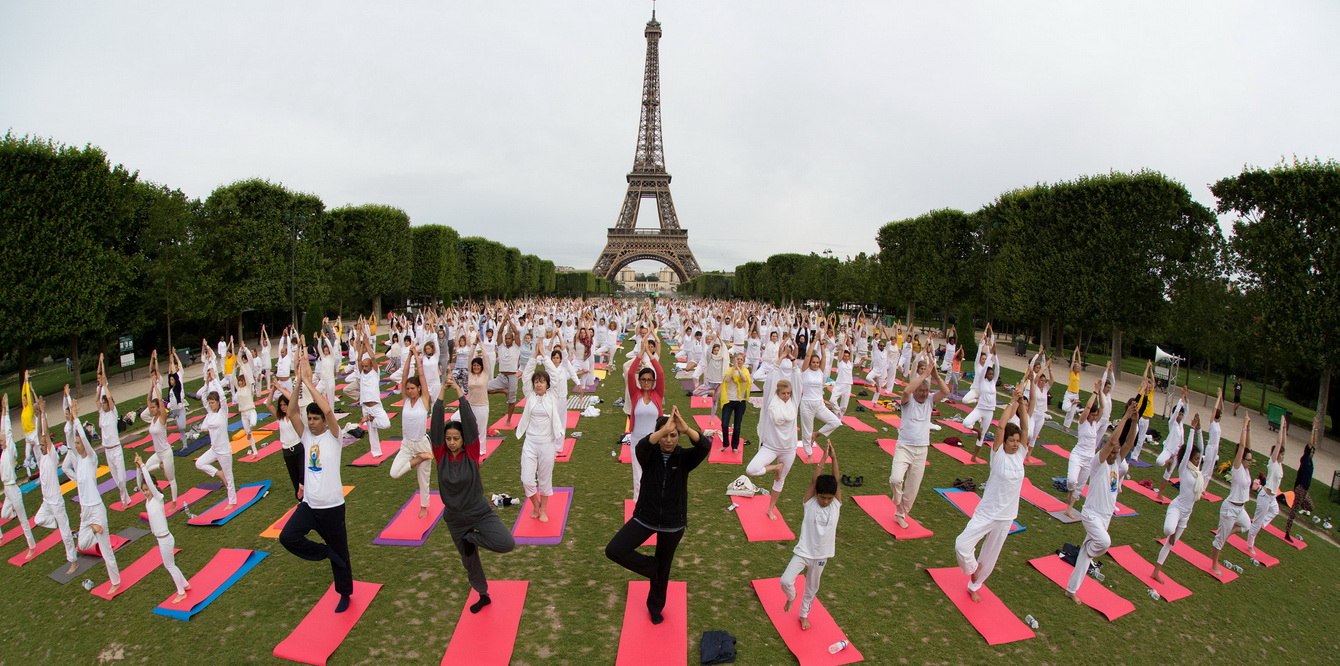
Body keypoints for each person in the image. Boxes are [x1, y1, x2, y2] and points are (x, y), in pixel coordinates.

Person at [605, 407, 710, 625]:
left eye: (673, 435)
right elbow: (643, 444)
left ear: (678, 436)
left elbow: (705, 446)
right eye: (664, 435)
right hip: (645, 517)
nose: (669, 440)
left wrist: (685, 427)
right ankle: (654, 569)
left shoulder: (684, 458)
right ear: (658, 435)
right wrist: (663, 430)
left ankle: (655, 606)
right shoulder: (647, 455)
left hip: (673, 523)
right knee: (615, 550)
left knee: (665, 566)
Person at [422, 375, 516, 613]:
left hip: (479, 512)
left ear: (465, 440)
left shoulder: (472, 453)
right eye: (448, 439)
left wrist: (459, 392)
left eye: (456, 438)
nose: (452, 442)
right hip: (454, 518)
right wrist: (442, 394)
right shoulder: (441, 456)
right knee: (469, 562)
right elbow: (434, 426)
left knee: (506, 543)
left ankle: (471, 539)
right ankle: (482, 594)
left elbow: (471, 422)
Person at [279, 339, 355, 613]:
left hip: (333, 507)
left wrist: (311, 385)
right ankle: (324, 552)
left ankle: (345, 593)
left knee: (342, 552)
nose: (311, 422)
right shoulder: (306, 435)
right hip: (309, 505)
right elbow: (291, 412)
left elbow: (328, 410)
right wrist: (298, 382)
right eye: (309, 419)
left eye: (315, 419)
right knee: (288, 537)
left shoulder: (335, 436)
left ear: (323, 421)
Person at [955, 379, 1031, 602]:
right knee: (962, 544)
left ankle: (975, 584)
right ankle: (972, 568)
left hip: (1006, 516)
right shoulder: (997, 455)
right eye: (1012, 440)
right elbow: (1000, 426)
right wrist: (1012, 402)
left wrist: (1023, 405)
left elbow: (1025, 427)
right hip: (987, 512)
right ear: (1004, 441)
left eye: (1017, 441)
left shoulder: (1020, 456)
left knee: (990, 557)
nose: (1016, 444)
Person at [1065, 394, 1142, 603]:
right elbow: (1114, 442)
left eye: (1116, 452)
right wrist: (1125, 417)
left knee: (1085, 556)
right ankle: (1089, 549)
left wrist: (1134, 421)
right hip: (1091, 515)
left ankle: (1071, 589)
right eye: (1112, 450)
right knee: (1104, 542)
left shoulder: (1116, 463)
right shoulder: (1098, 463)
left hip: (1105, 516)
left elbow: (1128, 442)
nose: (1114, 454)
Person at [781, 441, 841, 629]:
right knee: (785, 580)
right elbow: (813, 481)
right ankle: (792, 597)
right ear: (816, 494)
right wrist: (823, 459)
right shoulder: (810, 503)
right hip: (803, 551)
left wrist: (835, 458)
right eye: (823, 497)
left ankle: (804, 614)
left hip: (821, 555)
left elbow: (836, 481)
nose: (825, 501)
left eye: (829, 498)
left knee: (812, 588)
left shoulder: (836, 505)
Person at [67, 389, 121, 593]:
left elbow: (83, 440)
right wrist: (71, 420)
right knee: (82, 542)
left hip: (97, 509)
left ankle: (115, 581)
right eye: (77, 444)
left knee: (106, 550)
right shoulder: (78, 462)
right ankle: (94, 529)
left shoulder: (90, 459)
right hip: (85, 513)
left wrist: (77, 420)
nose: (78, 446)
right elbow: (72, 439)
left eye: (80, 443)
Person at [889, 359, 952, 529]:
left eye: (926, 391)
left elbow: (945, 391)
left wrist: (936, 376)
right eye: (921, 391)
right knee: (895, 479)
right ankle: (896, 497)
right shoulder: (908, 402)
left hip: (921, 450)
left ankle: (901, 514)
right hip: (904, 447)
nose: (924, 394)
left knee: (912, 488)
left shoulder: (931, 400)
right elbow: (906, 390)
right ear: (915, 390)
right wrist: (924, 374)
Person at [1150, 414, 1207, 583]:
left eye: (1198, 460)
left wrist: (1199, 430)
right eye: (1195, 459)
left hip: (1187, 513)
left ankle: (1156, 571)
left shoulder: (1197, 472)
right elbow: (1189, 449)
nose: (1197, 461)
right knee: (1168, 531)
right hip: (1176, 507)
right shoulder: (1183, 467)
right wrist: (1191, 430)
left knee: (1170, 543)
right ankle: (1171, 530)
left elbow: (1201, 449)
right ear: (1189, 459)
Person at [517, 339, 567, 522]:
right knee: (527, 480)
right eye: (536, 382)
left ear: (547, 385)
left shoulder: (553, 396)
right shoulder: (529, 395)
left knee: (545, 479)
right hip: (530, 442)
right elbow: (526, 376)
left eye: (542, 382)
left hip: (547, 443)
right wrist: (533, 356)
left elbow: (555, 375)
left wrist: (545, 356)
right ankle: (535, 504)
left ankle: (543, 509)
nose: (539, 385)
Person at [746, 355, 800, 522]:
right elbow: (770, 380)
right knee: (751, 470)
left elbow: (797, 380)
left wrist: (793, 362)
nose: (786, 396)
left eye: (788, 393)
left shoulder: (794, 402)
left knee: (780, 481)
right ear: (777, 393)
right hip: (770, 446)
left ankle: (770, 509)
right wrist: (780, 359)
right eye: (783, 393)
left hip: (789, 448)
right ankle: (775, 467)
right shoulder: (771, 401)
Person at [133, 454, 191, 602]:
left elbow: (149, 485)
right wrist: (137, 468)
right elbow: (141, 484)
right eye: (144, 490)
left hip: (165, 539)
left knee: (169, 566)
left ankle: (181, 592)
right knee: (170, 565)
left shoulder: (158, 497)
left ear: (154, 487)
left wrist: (142, 466)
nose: (145, 492)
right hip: (162, 539)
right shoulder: (149, 500)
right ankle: (185, 584)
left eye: (147, 490)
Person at [32, 403, 77, 571]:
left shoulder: (51, 456)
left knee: (65, 533)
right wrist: (37, 416)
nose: (41, 447)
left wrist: (44, 414)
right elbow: (39, 435)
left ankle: (73, 561)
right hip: (46, 502)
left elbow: (45, 436)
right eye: (41, 446)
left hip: (56, 501)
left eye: (43, 445)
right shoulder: (42, 458)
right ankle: (55, 523)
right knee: (38, 520)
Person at [390, 353, 434, 518]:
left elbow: (421, 375)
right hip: (407, 445)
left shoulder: (424, 400)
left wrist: (417, 356)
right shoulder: (405, 400)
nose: (409, 391)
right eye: (407, 388)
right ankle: (421, 458)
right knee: (394, 473)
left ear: (419, 389)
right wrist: (408, 356)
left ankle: (424, 506)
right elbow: (404, 374)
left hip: (421, 443)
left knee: (424, 480)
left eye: (412, 388)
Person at [1209, 416, 1254, 576]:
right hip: (1230, 508)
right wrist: (1243, 425)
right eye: (1248, 460)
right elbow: (1242, 446)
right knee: (1219, 541)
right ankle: (1214, 565)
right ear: (1241, 459)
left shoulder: (1247, 469)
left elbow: (1247, 446)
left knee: (1247, 526)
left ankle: (1228, 532)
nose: (1250, 462)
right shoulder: (1237, 468)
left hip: (1240, 509)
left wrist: (1248, 427)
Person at [626, 339, 665, 500]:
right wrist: (640, 354)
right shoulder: (636, 394)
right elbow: (630, 373)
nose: (646, 382)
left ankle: (654, 501)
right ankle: (638, 502)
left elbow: (661, 373)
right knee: (638, 474)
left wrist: (650, 354)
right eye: (643, 380)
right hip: (637, 440)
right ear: (639, 381)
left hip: (655, 440)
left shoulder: (658, 394)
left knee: (655, 471)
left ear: (653, 382)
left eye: (649, 380)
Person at [194, 369, 238, 506]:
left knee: (229, 478)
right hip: (214, 449)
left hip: (224, 450)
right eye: (210, 402)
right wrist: (207, 382)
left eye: (213, 402)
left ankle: (232, 501)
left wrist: (215, 381)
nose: (211, 404)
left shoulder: (223, 413)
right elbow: (203, 397)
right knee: (199, 463)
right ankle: (219, 473)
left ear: (218, 403)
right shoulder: (210, 413)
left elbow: (224, 398)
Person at [1, 394, 37, 559]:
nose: (1, 441)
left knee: (23, 521)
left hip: (13, 489)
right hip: (7, 491)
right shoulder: (3, 453)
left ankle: (31, 546)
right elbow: (3, 432)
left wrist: (5, 411)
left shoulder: (10, 451)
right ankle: (15, 511)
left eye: (3, 440)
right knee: (4, 514)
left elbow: (7, 431)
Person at [95, 354, 133, 508]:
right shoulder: (101, 414)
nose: (103, 405)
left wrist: (104, 386)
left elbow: (108, 399)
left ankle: (125, 498)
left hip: (116, 448)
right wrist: (100, 362)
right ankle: (125, 499)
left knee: (122, 477)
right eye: (103, 403)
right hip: (107, 449)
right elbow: (97, 400)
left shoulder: (112, 412)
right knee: (116, 478)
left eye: (105, 403)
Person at [1064, 381, 1106, 519]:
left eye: (1095, 415)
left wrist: (1100, 392)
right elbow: (1088, 407)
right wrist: (1094, 392)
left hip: (1089, 459)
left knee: (1080, 486)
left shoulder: (1095, 424)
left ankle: (1069, 508)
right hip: (1078, 455)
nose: (1094, 417)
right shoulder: (1082, 422)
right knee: (1071, 481)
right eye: (1092, 415)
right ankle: (1069, 492)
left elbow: (1103, 407)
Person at [143, 353, 180, 506]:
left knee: (171, 479)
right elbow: (148, 400)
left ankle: (174, 502)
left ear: (158, 408)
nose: (151, 410)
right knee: (144, 469)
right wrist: (152, 385)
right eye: (150, 408)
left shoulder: (162, 418)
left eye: (153, 408)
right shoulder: (152, 419)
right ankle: (160, 467)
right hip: (158, 454)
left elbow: (158, 400)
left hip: (166, 452)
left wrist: (157, 389)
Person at [1246, 416, 1287, 554]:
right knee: (1257, 523)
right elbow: (1279, 443)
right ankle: (1250, 544)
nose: (1282, 456)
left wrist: (1285, 429)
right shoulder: (1273, 462)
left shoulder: (1280, 465)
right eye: (1281, 454)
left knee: (1275, 511)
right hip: (1265, 496)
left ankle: (1258, 524)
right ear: (1276, 454)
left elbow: (1283, 445)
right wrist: (1280, 427)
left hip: (1272, 497)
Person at [351, 323, 392, 459]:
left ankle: (369, 419)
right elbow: (358, 359)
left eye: (366, 365)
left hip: (375, 405)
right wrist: (362, 347)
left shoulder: (375, 372)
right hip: (365, 406)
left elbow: (373, 358)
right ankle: (376, 452)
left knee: (386, 424)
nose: (364, 367)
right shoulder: (362, 374)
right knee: (372, 432)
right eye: (363, 366)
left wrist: (367, 344)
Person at [797, 346, 841, 454]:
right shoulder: (805, 371)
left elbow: (824, 357)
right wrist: (814, 341)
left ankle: (816, 434)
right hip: (807, 404)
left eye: (817, 362)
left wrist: (822, 345)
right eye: (813, 362)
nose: (816, 364)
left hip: (819, 404)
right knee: (807, 431)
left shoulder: (820, 372)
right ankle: (809, 453)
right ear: (809, 363)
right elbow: (808, 355)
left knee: (835, 422)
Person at [962, 344, 999, 464]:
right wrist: (990, 355)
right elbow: (984, 369)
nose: (991, 375)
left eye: (992, 374)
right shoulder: (982, 381)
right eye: (989, 374)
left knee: (982, 436)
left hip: (990, 411)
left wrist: (995, 355)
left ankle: (974, 456)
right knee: (966, 423)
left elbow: (997, 368)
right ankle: (976, 429)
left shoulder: (993, 382)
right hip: (980, 408)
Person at [1282, 431, 1316, 542]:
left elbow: (1313, 445)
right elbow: (1310, 444)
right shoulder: (1305, 459)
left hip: (1305, 491)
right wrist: (1314, 430)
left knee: (1311, 507)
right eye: (1311, 450)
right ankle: (1287, 532)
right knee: (1294, 512)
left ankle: (1299, 502)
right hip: (1300, 488)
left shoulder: (1311, 462)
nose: (1312, 452)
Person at [719, 352, 751, 454]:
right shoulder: (729, 370)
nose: (739, 361)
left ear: (743, 361)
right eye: (738, 359)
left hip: (740, 402)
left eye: (741, 359)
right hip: (729, 400)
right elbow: (727, 380)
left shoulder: (745, 371)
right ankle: (725, 444)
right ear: (734, 360)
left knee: (737, 425)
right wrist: (733, 369)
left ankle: (734, 446)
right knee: (724, 424)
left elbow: (745, 379)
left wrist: (739, 370)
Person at [1061, 346, 1083, 432]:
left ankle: (1066, 426)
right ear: (1073, 368)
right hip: (1069, 393)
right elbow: (1074, 362)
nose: (1078, 369)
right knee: (1065, 408)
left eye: (1079, 368)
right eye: (1076, 368)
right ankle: (1072, 402)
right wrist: (1074, 353)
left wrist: (1078, 353)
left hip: (1076, 394)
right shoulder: (1071, 373)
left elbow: (1080, 362)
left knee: (1071, 413)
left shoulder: (1078, 374)